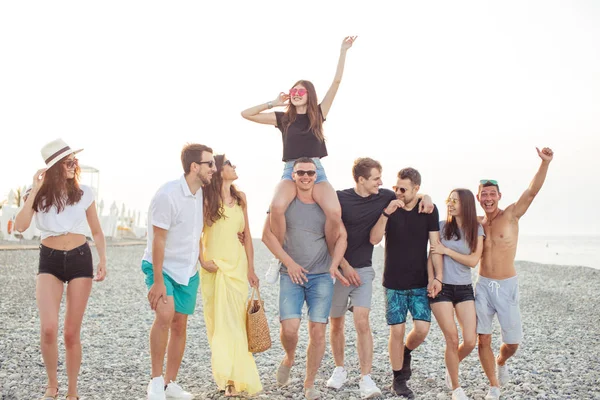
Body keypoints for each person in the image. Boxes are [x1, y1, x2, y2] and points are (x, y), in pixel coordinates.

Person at [242, 36, 357, 284]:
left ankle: (330, 257)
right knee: (277, 207)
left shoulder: (318, 113)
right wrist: (274, 102)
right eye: (293, 91)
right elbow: (246, 114)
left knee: (334, 212)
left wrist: (343, 51)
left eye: (300, 91)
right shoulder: (283, 118)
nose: (295, 94)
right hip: (290, 171)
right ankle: (281, 257)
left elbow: (336, 83)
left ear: (309, 95)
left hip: (316, 170)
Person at [326, 158, 433, 399]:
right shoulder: (339, 197)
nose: (382, 183)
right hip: (339, 267)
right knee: (336, 323)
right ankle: (340, 369)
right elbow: (328, 233)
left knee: (362, 321)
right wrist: (343, 264)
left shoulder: (384, 196)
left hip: (363, 269)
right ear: (361, 179)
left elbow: (409, 194)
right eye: (376, 178)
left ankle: (366, 377)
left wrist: (427, 197)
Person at [15, 138, 107, 400]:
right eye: (68, 162)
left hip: (80, 258)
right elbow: (21, 226)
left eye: (74, 161)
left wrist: (103, 260)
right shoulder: (36, 194)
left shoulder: (84, 192)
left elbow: (97, 231)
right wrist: (34, 190)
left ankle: (73, 391)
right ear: (55, 167)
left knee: (70, 332)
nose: (73, 165)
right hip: (50, 260)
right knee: (48, 328)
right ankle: (52, 385)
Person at [262, 157, 349, 400]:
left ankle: (309, 383)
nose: (306, 177)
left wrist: (334, 264)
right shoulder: (284, 202)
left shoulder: (326, 204)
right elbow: (266, 235)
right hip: (291, 274)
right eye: (300, 172)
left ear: (316, 175)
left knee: (318, 331)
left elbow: (342, 236)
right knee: (289, 329)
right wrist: (289, 264)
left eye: (310, 173)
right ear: (293, 175)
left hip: (321, 275)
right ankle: (289, 357)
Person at [475, 147, 554, 400]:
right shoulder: (477, 222)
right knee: (482, 339)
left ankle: (501, 361)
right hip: (483, 285)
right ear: (478, 197)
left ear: (499, 196)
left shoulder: (510, 215)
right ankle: (493, 386)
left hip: (507, 286)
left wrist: (545, 163)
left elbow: (532, 192)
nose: (488, 198)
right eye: (483, 194)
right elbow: (447, 218)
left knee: (512, 344)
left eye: (492, 194)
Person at [142, 143, 216, 400]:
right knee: (164, 316)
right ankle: (155, 380)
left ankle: (170, 383)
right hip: (161, 266)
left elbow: (193, 233)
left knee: (180, 325)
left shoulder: (200, 195)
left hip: (188, 269)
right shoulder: (168, 195)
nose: (214, 169)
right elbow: (158, 240)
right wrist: (158, 280)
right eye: (210, 164)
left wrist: (202, 260)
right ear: (194, 167)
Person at [370, 167, 443, 398]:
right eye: (396, 188)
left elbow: (435, 247)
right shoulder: (390, 205)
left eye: (403, 189)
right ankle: (398, 379)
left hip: (420, 281)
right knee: (397, 330)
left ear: (416, 189)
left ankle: (405, 352)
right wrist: (386, 213)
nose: (398, 192)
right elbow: (374, 239)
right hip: (393, 282)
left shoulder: (428, 209)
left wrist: (436, 277)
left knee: (421, 329)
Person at [200, 155, 262, 397]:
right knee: (217, 323)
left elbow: (246, 236)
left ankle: (234, 380)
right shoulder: (206, 198)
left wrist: (251, 269)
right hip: (213, 266)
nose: (234, 167)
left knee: (234, 322)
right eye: (229, 164)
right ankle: (226, 376)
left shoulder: (240, 198)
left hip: (237, 266)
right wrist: (202, 260)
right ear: (217, 170)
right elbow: (196, 232)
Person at [428, 189, 484, 400]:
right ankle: (456, 389)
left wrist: (447, 251)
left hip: (463, 287)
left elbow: (473, 261)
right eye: (449, 200)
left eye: (455, 201)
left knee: (470, 341)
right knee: (452, 339)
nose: (450, 204)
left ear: (466, 205)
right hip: (441, 287)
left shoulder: (476, 229)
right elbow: (432, 256)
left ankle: (451, 365)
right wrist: (433, 279)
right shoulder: (441, 226)